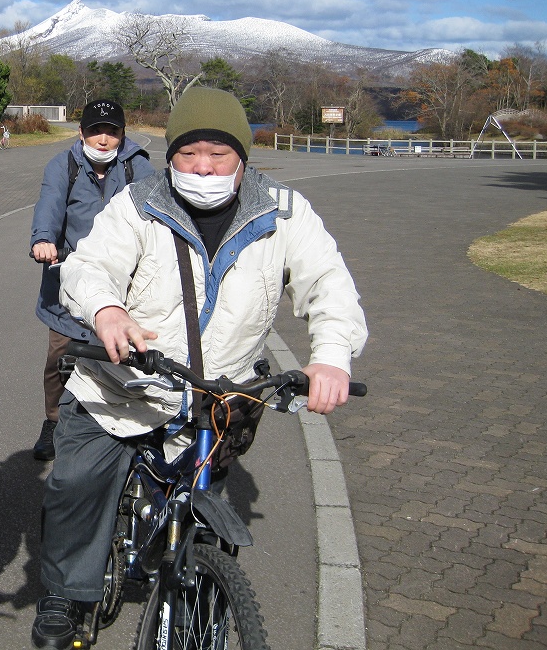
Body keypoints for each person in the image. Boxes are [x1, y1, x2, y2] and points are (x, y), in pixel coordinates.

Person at [30, 87, 368, 649]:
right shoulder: (139, 203)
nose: (203, 167)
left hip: (218, 397)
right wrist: (106, 309)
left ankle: (201, 591)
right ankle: (65, 593)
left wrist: (330, 356)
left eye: (219, 154)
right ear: (170, 156)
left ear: (243, 158)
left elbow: (329, 284)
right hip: (123, 386)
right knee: (77, 484)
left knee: (206, 514)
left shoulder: (283, 213)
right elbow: (89, 266)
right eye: (189, 153)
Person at [29, 99, 153, 461]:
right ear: (81, 132)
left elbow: (154, 211)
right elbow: (49, 204)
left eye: (112, 131)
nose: (103, 139)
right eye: (96, 130)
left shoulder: (138, 167)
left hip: (122, 284)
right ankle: (53, 420)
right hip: (68, 281)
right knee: (59, 359)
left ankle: (125, 423)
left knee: (126, 357)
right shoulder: (63, 165)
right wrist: (43, 239)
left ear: (122, 135)